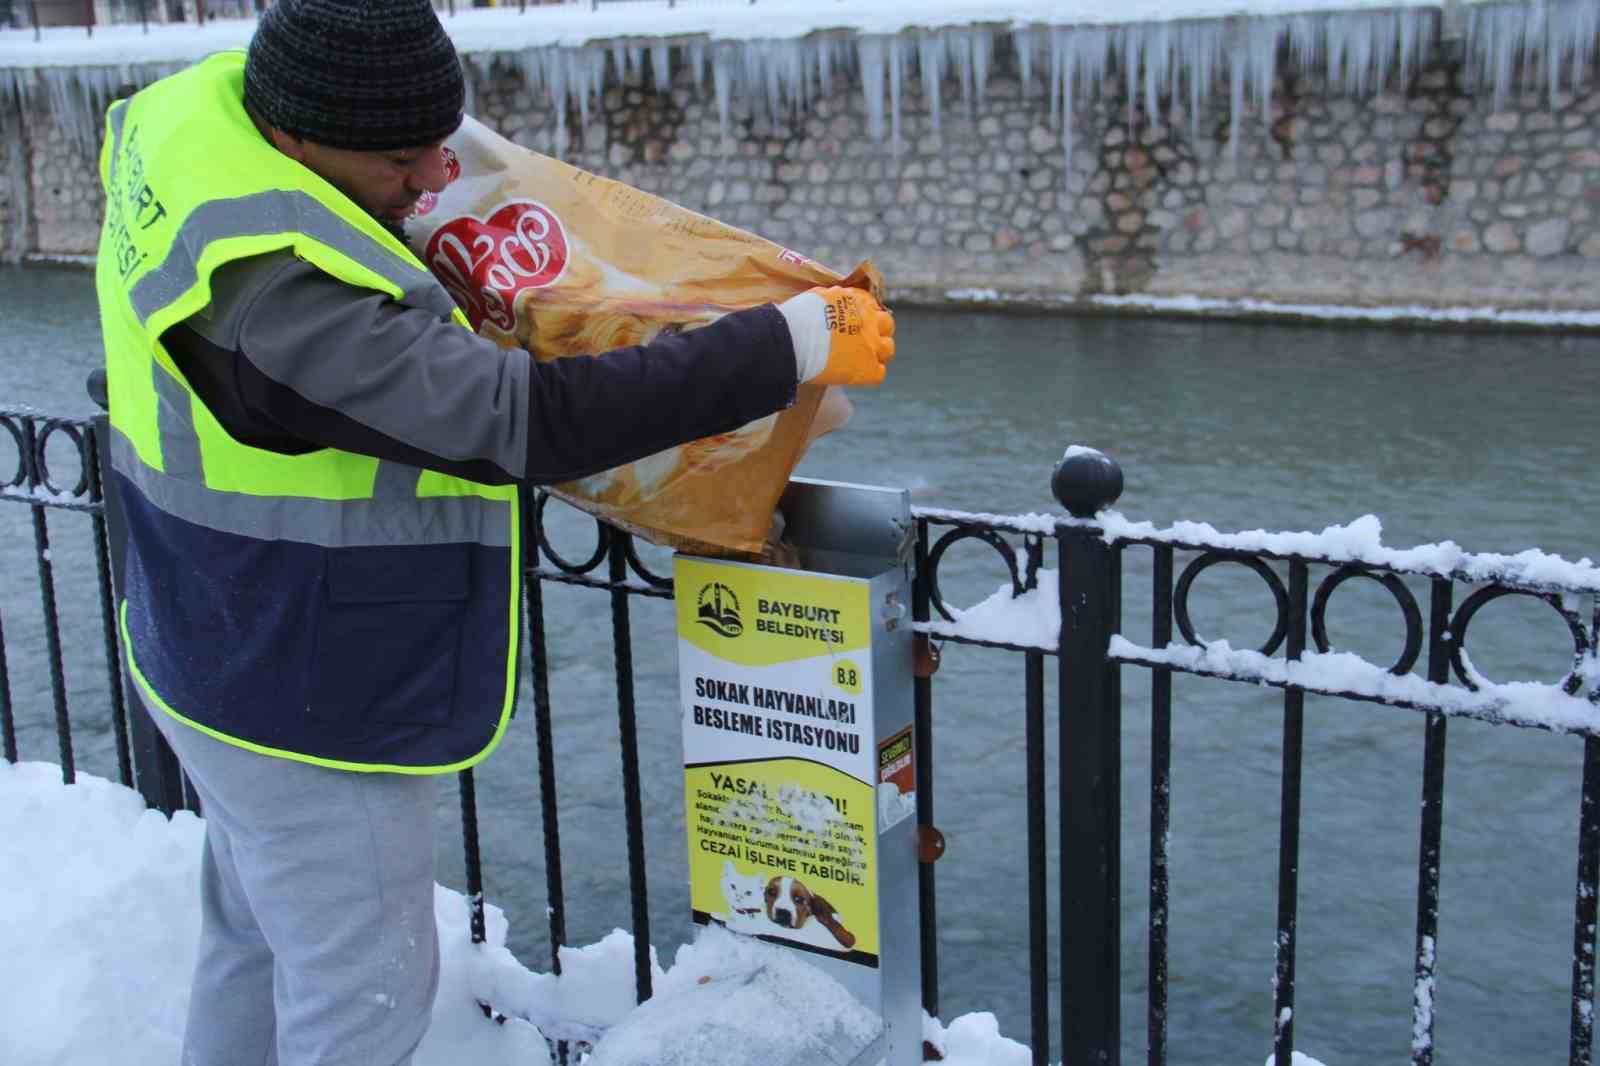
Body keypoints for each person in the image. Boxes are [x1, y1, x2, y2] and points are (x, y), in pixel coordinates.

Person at [92, 0, 895, 1062]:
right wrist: (782, 343)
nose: (432, 179)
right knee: (361, 992)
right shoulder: (272, 294)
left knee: (255, 937)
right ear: (297, 137)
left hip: (203, 628)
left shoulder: (200, 127)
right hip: (301, 685)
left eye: (439, 141)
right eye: (400, 158)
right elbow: (521, 420)